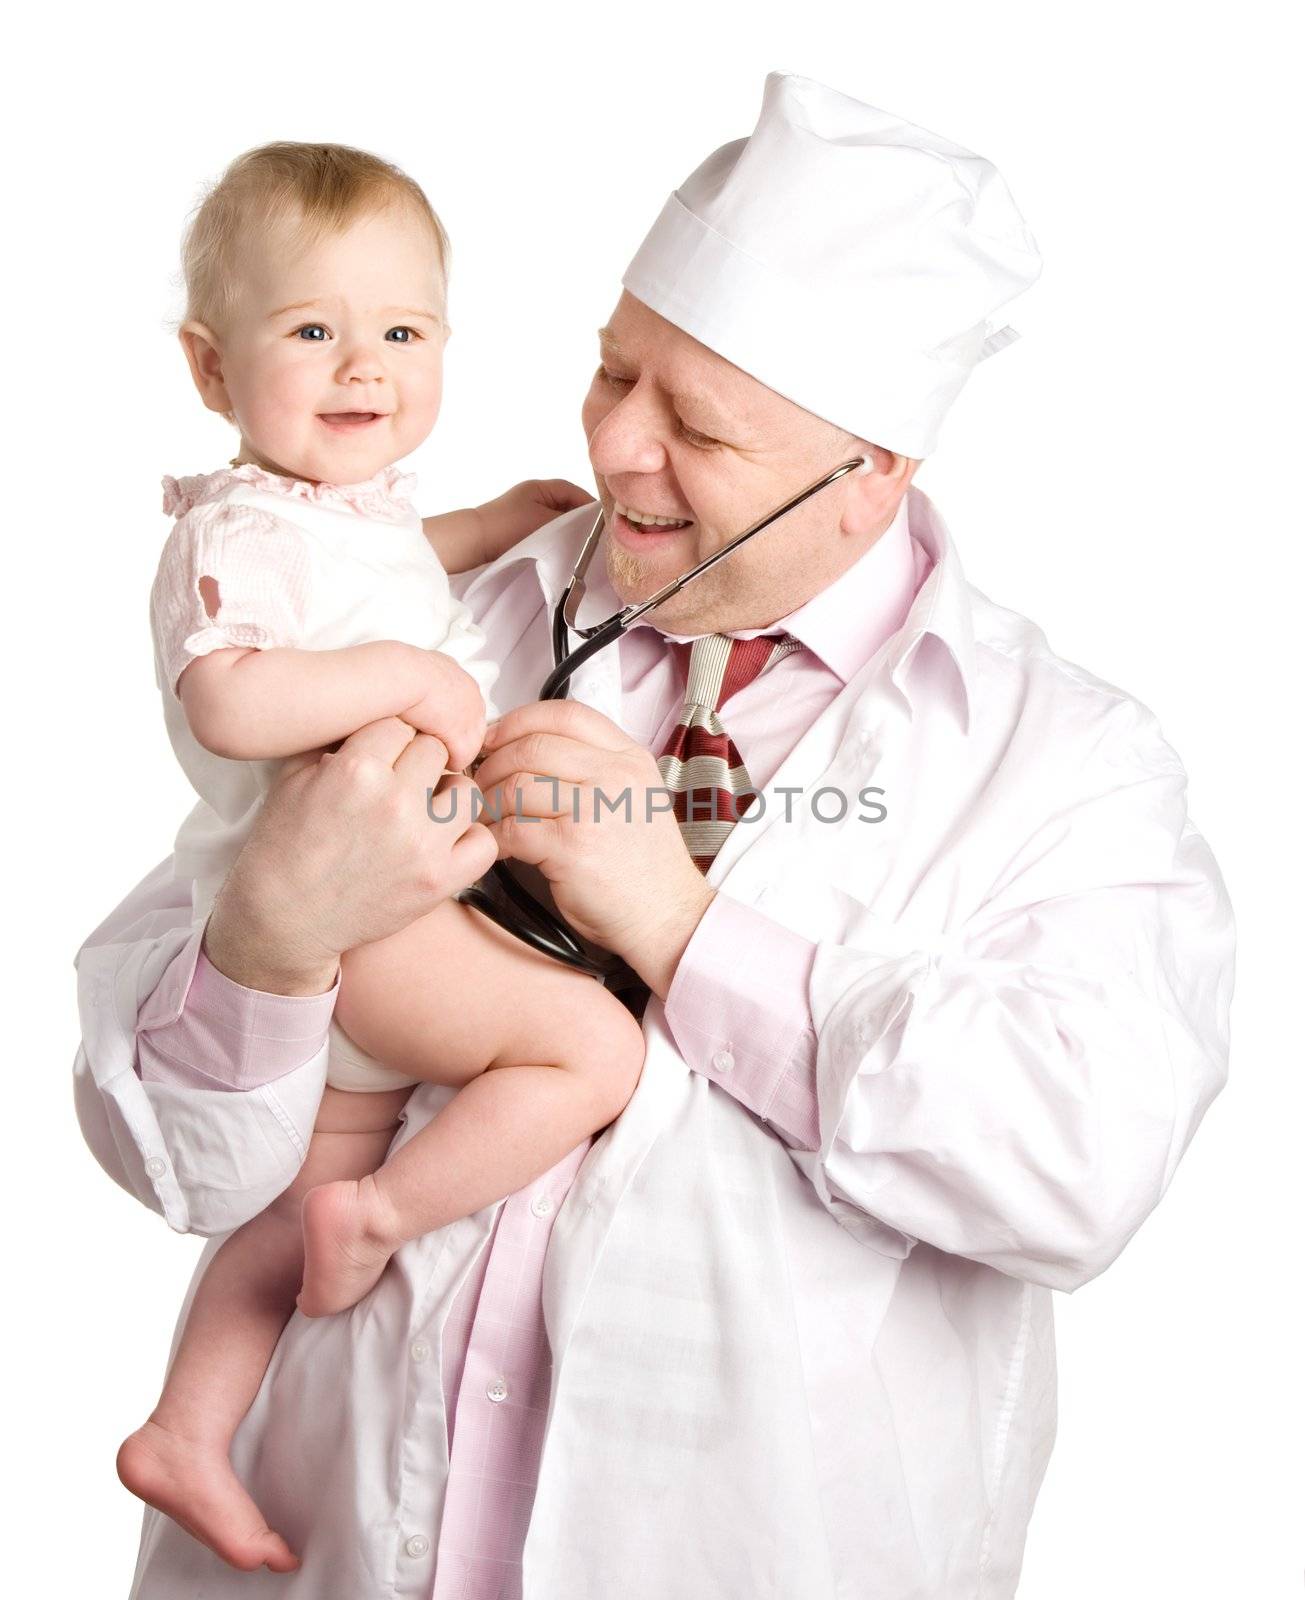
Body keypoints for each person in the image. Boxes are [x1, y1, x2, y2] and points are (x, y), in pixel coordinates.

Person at [74, 74, 1235, 1599]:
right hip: (313, 1558)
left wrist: (684, 932)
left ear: (869, 469)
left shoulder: (1065, 763)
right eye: (612, 372)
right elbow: (165, 1156)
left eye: (696, 423)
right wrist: (268, 943)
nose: (617, 448)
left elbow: (1071, 1168)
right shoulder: (415, 617)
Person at [111, 141, 645, 1574]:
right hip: (371, 918)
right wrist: (408, 675)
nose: (365, 368)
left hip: (369, 933)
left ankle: (185, 1427)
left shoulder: (342, 516)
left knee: (280, 1219)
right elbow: (231, 694)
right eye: (312, 332)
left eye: (401, 332)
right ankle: (390, 1212)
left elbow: (395, 560)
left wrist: (493, 527)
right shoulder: (232, 529)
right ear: (212, 371)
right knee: (590, 1057)